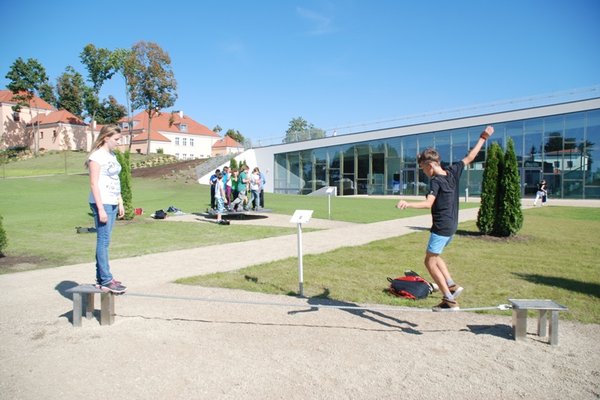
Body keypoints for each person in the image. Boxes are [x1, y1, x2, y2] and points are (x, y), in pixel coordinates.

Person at [396, 125, 494, 311]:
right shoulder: (453, 171)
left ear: (431, 165)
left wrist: (407, 203)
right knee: (435, 255)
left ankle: (449, 299)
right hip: (452, 226)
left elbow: (428, 204)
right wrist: (484, 137)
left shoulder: (436, 181)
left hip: (441, 227)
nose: (423, 171)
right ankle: (451, 285)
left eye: (423, 168)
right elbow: (471, 156)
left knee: (429, 261)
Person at [86, 125, 127, 294]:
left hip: (111, 200)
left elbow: (115, 179)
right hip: (101, 202)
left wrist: (120, 201)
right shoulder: (96, 157)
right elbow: (94, 183)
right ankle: (105, 279)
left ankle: (101, 277)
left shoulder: (112, 155)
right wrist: (101, 209)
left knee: (105, 241)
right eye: (116, 139)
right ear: (106, 138)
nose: (119, 142)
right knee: (103, 241)